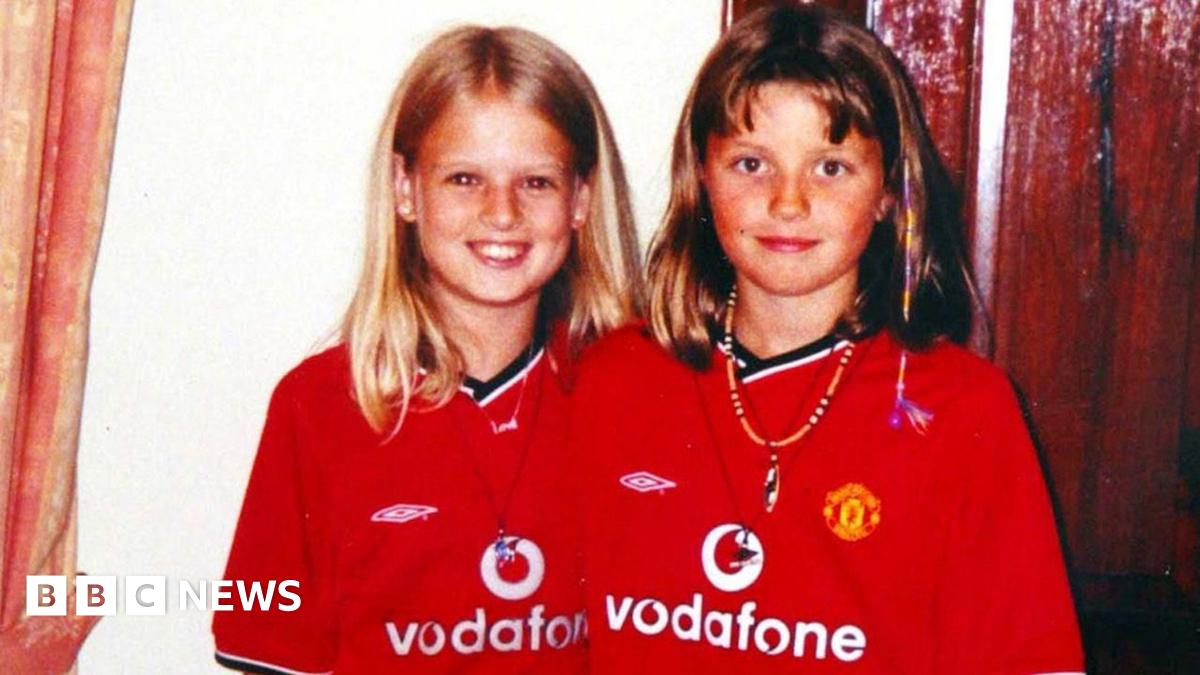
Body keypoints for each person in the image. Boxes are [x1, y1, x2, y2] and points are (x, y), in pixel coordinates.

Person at [571, 5, 1084, 673]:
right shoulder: (614, 376)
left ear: (889, 191)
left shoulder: (964, 408)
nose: (789, 202)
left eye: (831, 167)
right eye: (751, 163)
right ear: (702, 173)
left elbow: (1032, 659)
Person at [213, 25, 640, 674]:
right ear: (406, 187)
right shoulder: (320, 406)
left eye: (537, 182)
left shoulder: (633, 399)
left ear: (580, 197)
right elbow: (277, 652)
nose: (502, 214)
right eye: (465, 178)